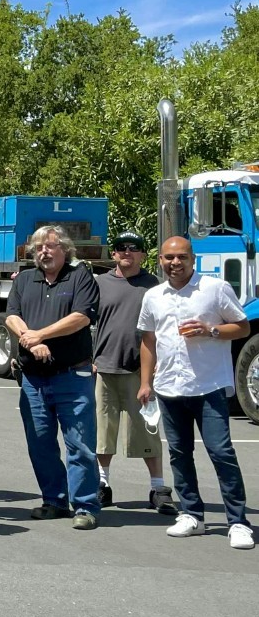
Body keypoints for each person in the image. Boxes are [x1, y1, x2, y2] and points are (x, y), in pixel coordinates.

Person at [137, 237, 253, 548]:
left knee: (221, 453)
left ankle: (238, 522)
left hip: (209, 386)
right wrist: (146, 382)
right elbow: (149, 341)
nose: (175, 263)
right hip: (169, 387)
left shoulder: (214, 289)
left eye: (182, 257)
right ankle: (192, 515)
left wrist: (210, 330)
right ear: (159, 260)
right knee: (179, 454)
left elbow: (242, 327)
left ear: (193, 259)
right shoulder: (153, 296)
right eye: (169, 258)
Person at [4, 224, 102, 529]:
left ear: (65, 249)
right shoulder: (24, 280)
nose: (44, 252)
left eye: (51, 246)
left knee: (80, 444)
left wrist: (40, 335)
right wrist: (29, 338)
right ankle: (54, 500)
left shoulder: (79, 276)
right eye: (39, 247)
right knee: (40, 443)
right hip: (33, 378)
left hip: (72, 375)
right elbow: (11, 315)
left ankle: (85, 506)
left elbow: (82, 317)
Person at [92, 232, 176, 514]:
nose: (127, 252)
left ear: (143, 254)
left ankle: (158, 488)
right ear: (113, 254)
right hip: (103, 368)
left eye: (134, 248)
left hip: (141, 372)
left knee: (147, 431)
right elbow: (84, 321)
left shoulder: (154, 286)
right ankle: (102, 485)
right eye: (121, 248)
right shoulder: (98, 284)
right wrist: (88, 358)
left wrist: (153, 373)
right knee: (103, 432)